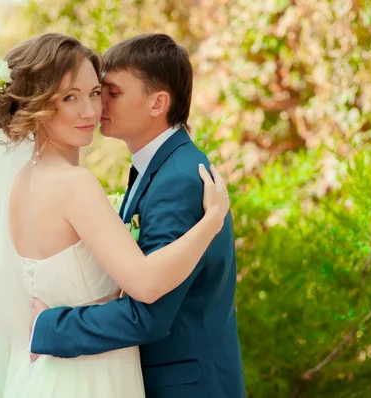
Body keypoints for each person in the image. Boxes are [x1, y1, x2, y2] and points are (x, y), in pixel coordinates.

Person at [0, 32, 230, 398]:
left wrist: (49, 324)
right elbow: (147, 284)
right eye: (71, 97)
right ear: (40, 104)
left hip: (47, 372)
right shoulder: (74, 185)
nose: (93, 110)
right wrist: (211, 222)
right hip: (89, 376)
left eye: (96, 93)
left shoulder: (22, 182)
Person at [29, 33, 246, 398]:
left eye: (110, 93)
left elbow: (148, 314)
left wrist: (47, 327)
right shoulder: (156, 169)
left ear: (157, 102)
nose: (98, 106)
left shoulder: (178, 179)